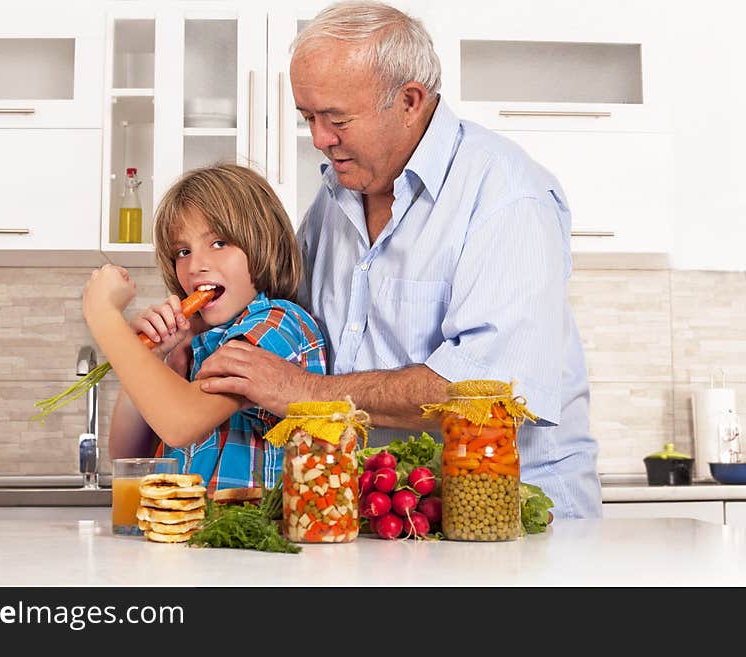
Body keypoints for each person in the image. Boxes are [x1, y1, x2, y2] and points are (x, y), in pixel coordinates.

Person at [193, 1, 602, 518]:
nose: (319, 139)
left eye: (336, 118)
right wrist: (193, 327)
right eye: (308, 118)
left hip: (513, 524)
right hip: (386, 519)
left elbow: (490, 393)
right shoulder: (334, 199)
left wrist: (305, 392)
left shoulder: (506, 196)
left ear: (410, 100)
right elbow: (284, 322)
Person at [82, 163, 327, 494]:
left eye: (219, 243)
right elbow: (128, 455)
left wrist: (105, 317)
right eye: (183, 252)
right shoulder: (198, 344)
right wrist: (149, 357)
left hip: (248, 540)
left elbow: (180, 423)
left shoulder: (277, 324)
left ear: (263, 243)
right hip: (199, 536)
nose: (196, 266)